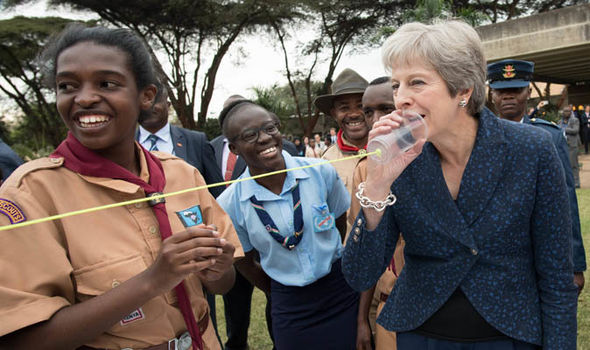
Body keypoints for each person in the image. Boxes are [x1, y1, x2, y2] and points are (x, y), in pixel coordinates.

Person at [0, 25, 243, 350]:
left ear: (146, 95)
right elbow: (25, 340)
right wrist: (153, 280)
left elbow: (223, 284)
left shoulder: (181, 174)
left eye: (106, 83)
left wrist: (218, 269)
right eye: (67, 85)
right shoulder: (31, 194)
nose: (84, 97)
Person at [343, 20, 578, 350]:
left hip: (509, 334)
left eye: (417, 83)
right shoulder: (400, 161)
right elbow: (359, 275)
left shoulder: (533, 149)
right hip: (421, 335)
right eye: (397, 85)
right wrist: (378, 186)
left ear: (463, 89)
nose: (401, 99)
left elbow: (556, 278)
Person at [216, 99, 357, 350]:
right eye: (251, 134)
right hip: (290, 305)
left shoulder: (320, 171)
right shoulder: (230, 203)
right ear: (235, 148)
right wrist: (280, 288)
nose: (265, 138)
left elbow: (337, 223)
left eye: (270, 128)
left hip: (340, 292)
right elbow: (245, 261)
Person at [488, 59, 586, 289]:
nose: (508, 97)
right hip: (493, 256)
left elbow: (567, 203)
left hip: (538, 250)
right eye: (501, 91)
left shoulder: (549, 137)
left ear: (528, 92)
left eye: (516, 90)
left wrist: (575, 266)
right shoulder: (476, 138)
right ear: (491, 94)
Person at [211, 96, 297, 350]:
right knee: (236, 308)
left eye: (269, 128)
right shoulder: (211, 148)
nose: (263, 137)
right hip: (238, 240)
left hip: (285, 247)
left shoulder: (299, 157)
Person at [352, 76, 402, 350]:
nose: (376, 119)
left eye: (386, 108)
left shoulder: (437, 158)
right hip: (389, 309)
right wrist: (362, 320)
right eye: (368, 112)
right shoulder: (364, 170)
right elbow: (365, 253)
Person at [137, 81, 224, 198]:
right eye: (143, 101)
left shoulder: (196, 141)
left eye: (155, 100)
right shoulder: (121, 145)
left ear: (167, 105)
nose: (148, 106)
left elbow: (217, 192)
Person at [560, 105, 581, 188]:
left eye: (568, 111)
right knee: (564, 165)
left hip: (572, 145)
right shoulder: (560, 122)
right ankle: (567, 183)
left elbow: (575, 130)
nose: (566, 113)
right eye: (565, 111)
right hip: (562, 146)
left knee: (574, 165)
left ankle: (576, 183)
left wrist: (564, 129)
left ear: (571, 112)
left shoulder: (575, 120)